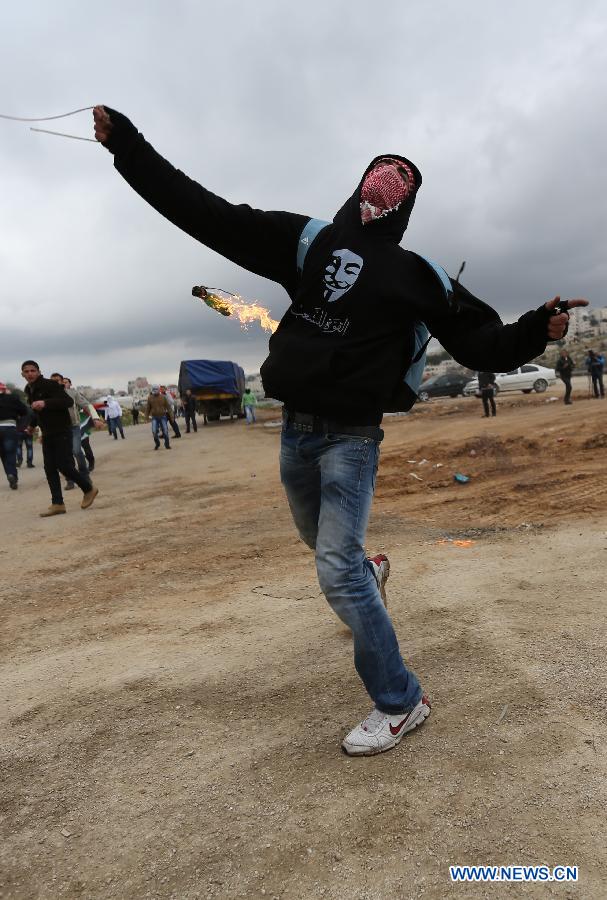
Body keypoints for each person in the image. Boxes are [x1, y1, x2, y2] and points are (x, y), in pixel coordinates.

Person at [93, 105, 586, 756]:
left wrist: (534, 328)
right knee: (325, 548)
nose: (379, 199)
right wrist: (128, 148)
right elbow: (206, 213)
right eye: (375, 185)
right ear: (359, 189)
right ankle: (369, 570)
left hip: (352, 439)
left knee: (334, 571)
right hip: (296, 434)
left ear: (402, 205)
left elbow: (482, 343)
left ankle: (401, 701)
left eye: (393, 189)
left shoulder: (418, 277)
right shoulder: (309, 243)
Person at [22, 360, 99, 516]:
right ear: (22, 374)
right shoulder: (29, 389)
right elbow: (37, 411)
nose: (30, 373)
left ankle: (88, 488)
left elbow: (67, 401)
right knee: (49, 468)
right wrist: (31, 426)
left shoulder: (49, 384)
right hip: (47, 432)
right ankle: (57, 503)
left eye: (32, 370)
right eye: (26, 371)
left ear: (38, 371)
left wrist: (45, 403)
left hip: (62, 430)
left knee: (64, 465)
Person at [0, 381, 29, 490]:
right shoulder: (13, 398)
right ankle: (12, 475)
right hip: (9, 427)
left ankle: (9, 474)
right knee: (10, 453)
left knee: (3, 454)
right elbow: (24, 411)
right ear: (4, 389)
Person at [145, 385, 172, 449]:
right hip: (154, 417)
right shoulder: (150, 398)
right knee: (154, 431)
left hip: (163, 416)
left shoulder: (163, 397)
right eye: (154, 390)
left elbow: (168, 407)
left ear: (158, 390)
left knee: (165, 431)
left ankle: (167, 444)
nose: (155, 391)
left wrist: (172, 416)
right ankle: (157, 443)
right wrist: (146, 417)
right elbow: (147, 408)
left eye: (156, 389)